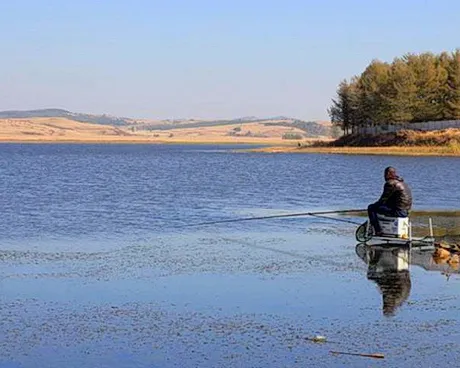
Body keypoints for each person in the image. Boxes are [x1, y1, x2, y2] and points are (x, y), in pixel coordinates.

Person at [367, 167, 412, 236]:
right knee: (378, 208)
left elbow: (382, 200)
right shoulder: (402, 183)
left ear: (388, 174)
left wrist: (374, 205)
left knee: (371, 208)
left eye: (384, 174)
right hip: (406, 211)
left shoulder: (390, 183)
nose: (384, 176)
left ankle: (378, 231)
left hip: (399, 211)